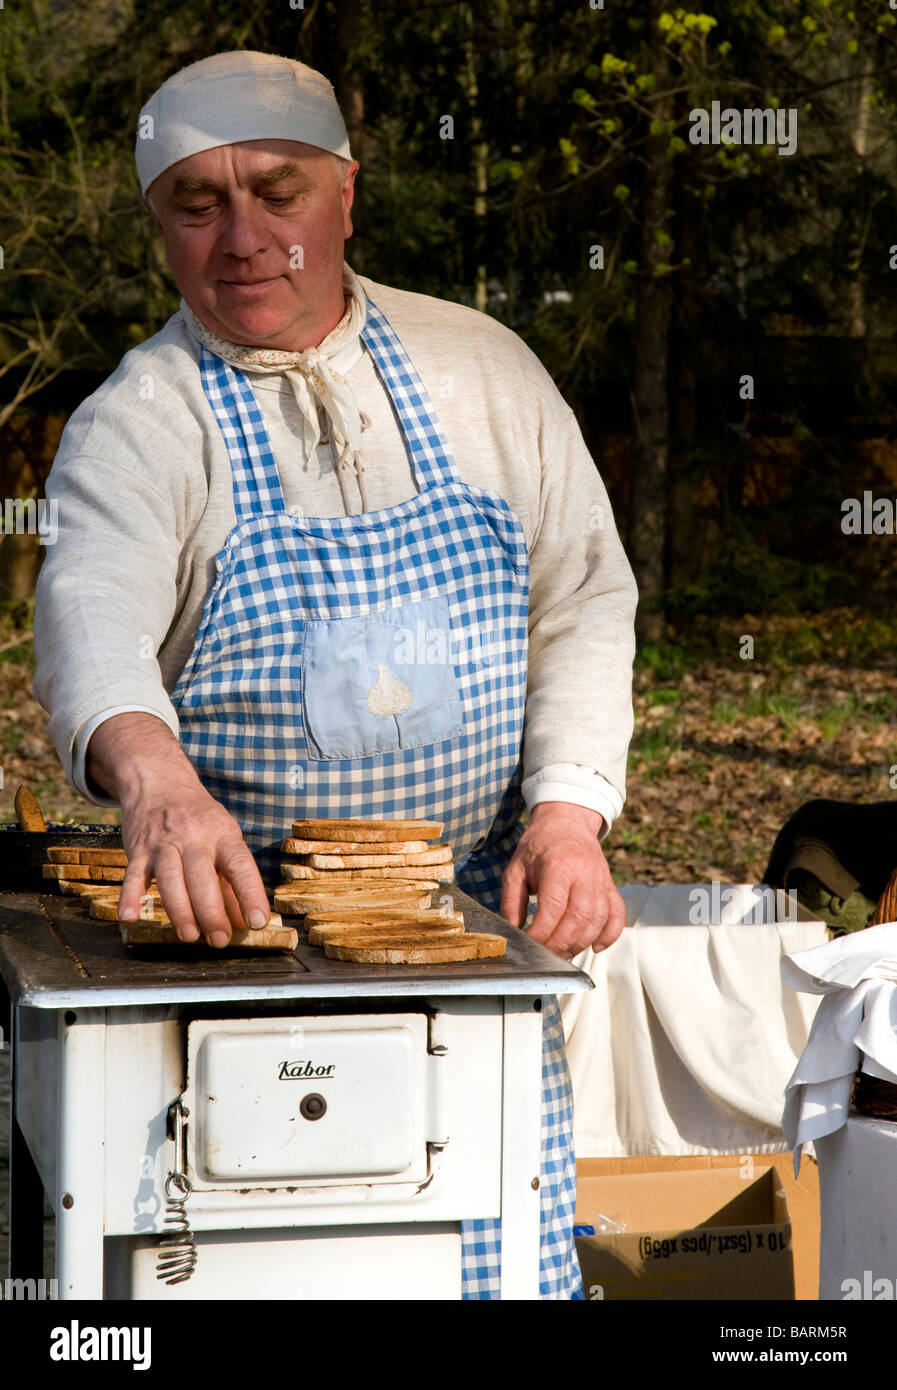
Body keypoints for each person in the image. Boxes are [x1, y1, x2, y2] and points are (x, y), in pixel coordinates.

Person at [33, 50, 638, 1299]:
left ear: (347, 195)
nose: (244, 236)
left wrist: (571, 811)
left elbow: (582, 594)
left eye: (278, 189)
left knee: (485, 1252)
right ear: (159, 225)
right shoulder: (142, 420)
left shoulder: (485, 370)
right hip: (234, 949)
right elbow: (92, 614)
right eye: (198, 204)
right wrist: (155, 780)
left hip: (472, 939)